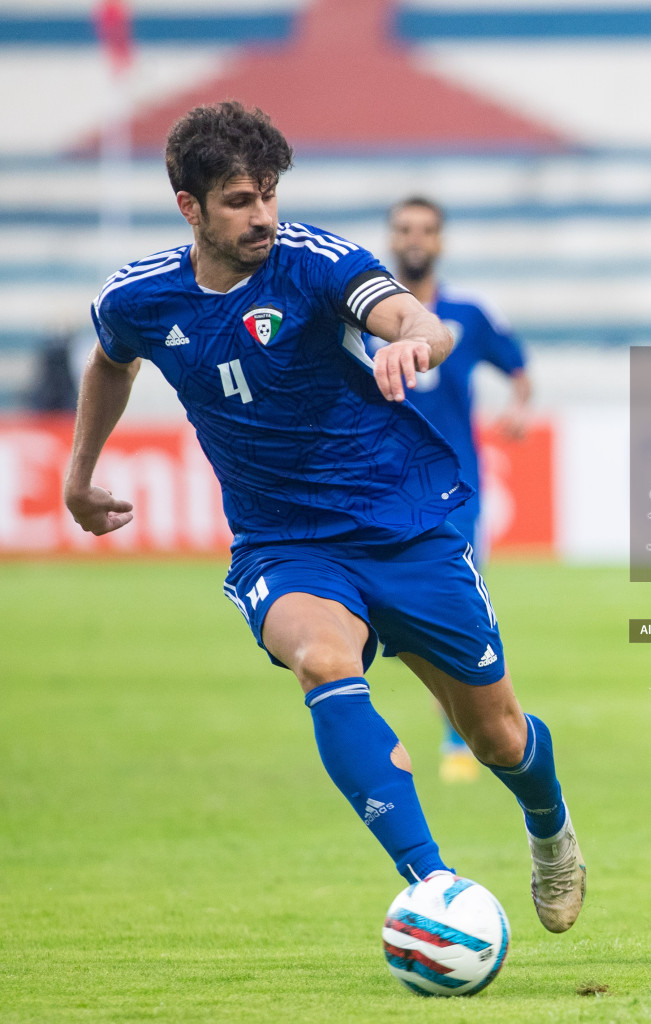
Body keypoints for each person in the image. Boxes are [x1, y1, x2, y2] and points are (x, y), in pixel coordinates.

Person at [63, 101, 585, 936]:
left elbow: (417, 318)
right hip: (285, 543)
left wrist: (412, 341)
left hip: (401, 524)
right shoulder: (139, 297)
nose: (263, 214)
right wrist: (80, 474)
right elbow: (109, 361)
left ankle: (551, 829)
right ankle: (433, 886)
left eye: (269, 193)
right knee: (319, 657)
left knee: (497, 738)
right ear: (189, 207)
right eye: (239, 199)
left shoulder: (314, 263)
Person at [375, 195, 533, 784]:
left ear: (441, 241)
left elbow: (518, 367)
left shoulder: (470, 311)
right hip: (377, 487)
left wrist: (519, 408)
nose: (415, 238)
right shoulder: (362, 311)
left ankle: (456, 737)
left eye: (426, 229)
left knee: (453, 607)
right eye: (404, 228)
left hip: (455, 488)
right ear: (392, 238)